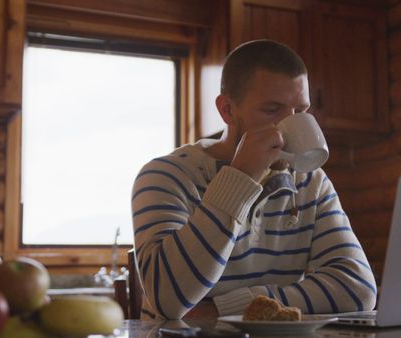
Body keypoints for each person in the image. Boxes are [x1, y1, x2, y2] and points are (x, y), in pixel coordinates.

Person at [131, 40, 376, 320]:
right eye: (272, 110)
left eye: (301, 110)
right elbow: (169, 300)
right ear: (227, 110)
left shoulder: (311, 182)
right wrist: (240, 178)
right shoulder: (166, 176)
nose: (289, 126)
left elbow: (359, 289)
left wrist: (235, 308)